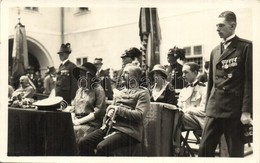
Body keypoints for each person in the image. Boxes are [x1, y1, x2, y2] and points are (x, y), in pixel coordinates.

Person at [198, 11, 252, 157]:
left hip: (233, 110)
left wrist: (246, 111)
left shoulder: (245, 47)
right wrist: (207, 106)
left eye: (221, 25)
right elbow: (211, 83)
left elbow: (249, 81)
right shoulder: (214, 51)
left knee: (235, 152)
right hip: (214, 109)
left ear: (233, 25)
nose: (217, 29)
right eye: (216, 25)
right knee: (204, 149)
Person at [78, 64, 150, 156]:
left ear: (135, 77)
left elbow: (140, 115)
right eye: (123, 72)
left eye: (127, 73)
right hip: (110, 127)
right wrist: (109, 113)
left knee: (102, 147)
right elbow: (110, 109)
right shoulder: (120, 92)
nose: (123, 75)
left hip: (128, 131)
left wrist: (118, 109)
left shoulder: (143, 93)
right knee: (83, 142)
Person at [70, 62, 106, 145]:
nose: (80, 76)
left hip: (91, 124)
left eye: (83, 74)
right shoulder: (79, 90)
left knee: (77, 133)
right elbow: (73, 108)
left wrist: (79, 121)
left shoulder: (98, 89)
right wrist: (73, 119)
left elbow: (99, 112)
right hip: (76, 122)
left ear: (90, 76)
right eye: (80, 74)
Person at [178, 62, 206, 130]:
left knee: (176, 118)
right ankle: (175, 140)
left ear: (195, 73)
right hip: (185, 118)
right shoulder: (184, 90)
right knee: (170, 117)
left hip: (199, 120)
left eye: (186, 72)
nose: (183, 75)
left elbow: (204, 111)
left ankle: (174, 140)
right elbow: (179, 106)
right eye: (183, 73)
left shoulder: (204, 88)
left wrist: (187, 110)